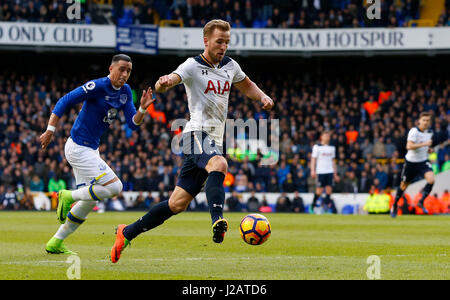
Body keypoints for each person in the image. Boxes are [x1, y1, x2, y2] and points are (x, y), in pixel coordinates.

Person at [110, 19, 274, 263]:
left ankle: (127, 232)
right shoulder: (192, 65)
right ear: (206, 41)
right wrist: (162, 83)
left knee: (177, 204)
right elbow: (169, 81)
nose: (223, 47)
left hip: (213, 140)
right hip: (194, 134)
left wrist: (262, 96)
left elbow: (246, 85)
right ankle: (217, 219)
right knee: (219, 164)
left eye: (227, 42)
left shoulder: (230, 65)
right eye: (219, 42)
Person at [40, 54, 155, 254]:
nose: (125, 74)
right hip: (78, 148)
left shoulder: (126, 91)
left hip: (91, 149)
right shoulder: (97, 86)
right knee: (115, 187)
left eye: (128, 70)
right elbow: (65, 100)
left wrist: (143, 109)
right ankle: (67, 196)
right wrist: (50, 129)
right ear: (111, 68)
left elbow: (132, 124)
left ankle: (56, 242)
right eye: (121, 69)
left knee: (90, 201)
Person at [391, 112, 440, 218]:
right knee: (403, 186)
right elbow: (409, 146)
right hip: (411, 163)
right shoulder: (414, 131)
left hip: (423, 162)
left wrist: (428, 149)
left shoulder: (430, 132)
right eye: (424, 120)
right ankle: (394, 205)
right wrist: (424, 144)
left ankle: (421, 201)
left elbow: (425, 147)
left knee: (431, 179)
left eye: (428, 120)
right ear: (419, 121)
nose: (426, 122)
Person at [310, 131, 338, 214]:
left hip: (330, 171)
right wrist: (312, 170)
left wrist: (335, 173)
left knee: (329, 190)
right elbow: (313, 159)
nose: (327, 137)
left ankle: (325, 207)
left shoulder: (332, 148)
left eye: (328, 136)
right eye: (325, 136)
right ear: (321, 137)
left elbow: (333, 161)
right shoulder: (317, 147)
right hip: (320, 171)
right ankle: (313, 205)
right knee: (319, 191)